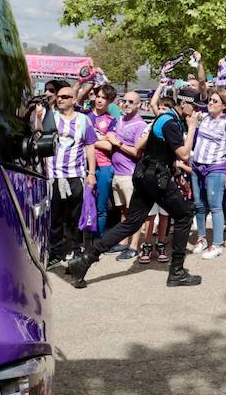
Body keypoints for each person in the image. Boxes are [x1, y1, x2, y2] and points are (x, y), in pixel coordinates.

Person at [67, 87, 203, 288]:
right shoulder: (171, 122)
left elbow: (158, 151)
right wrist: (192, 128)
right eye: (196, 107)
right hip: (155, 179)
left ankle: (86, 259)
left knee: (132, 223)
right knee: (184, 216)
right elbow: (184, 154)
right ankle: (176, 272)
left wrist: (175, 173)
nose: (198, 113)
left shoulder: (165, 119)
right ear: (184, 103)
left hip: (144, 175)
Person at [45, 83, 97, 267]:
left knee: (76, 217)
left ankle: (76, 251)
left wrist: (91, 173)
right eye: (58, 96)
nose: (60, 99)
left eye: (65, 96)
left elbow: (90, 146)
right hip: (54, 176)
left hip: (76, 175)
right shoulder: (50, 117)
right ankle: (55, 254)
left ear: (74, 100)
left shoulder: (84, 120)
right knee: (55, 218)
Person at [187, 90, 226, 259]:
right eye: (210, 100)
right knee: (199, 204)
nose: (210, 103)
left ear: (224, 105)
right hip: (197, 166)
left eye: (215, 101)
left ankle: (216, 244)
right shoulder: (203, 118)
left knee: (215, 205)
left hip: (216, 168)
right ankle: (201, 238)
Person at [108, 91, 150, 260]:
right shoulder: (119, 120)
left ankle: (134, 246)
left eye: (131, 101)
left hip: (129, 174)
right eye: (124, 101)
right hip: (117, 173)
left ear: (139, 104)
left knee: (135, 213)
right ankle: (124, 241)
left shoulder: (140, 125)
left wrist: (117, 143)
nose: (126, 104)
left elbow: (137, 152)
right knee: (124, 211)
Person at [88, 83, 119, 238]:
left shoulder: (112, 121)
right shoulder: (84, 116)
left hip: (104, 166)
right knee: (85, 205)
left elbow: (109, 146)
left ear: (110, 101)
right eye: (98, 96)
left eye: (104, 98)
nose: (99, 100)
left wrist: (89, 140)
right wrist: (99, 138)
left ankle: (97, 242)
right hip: (84, 166)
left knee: (101, 206)